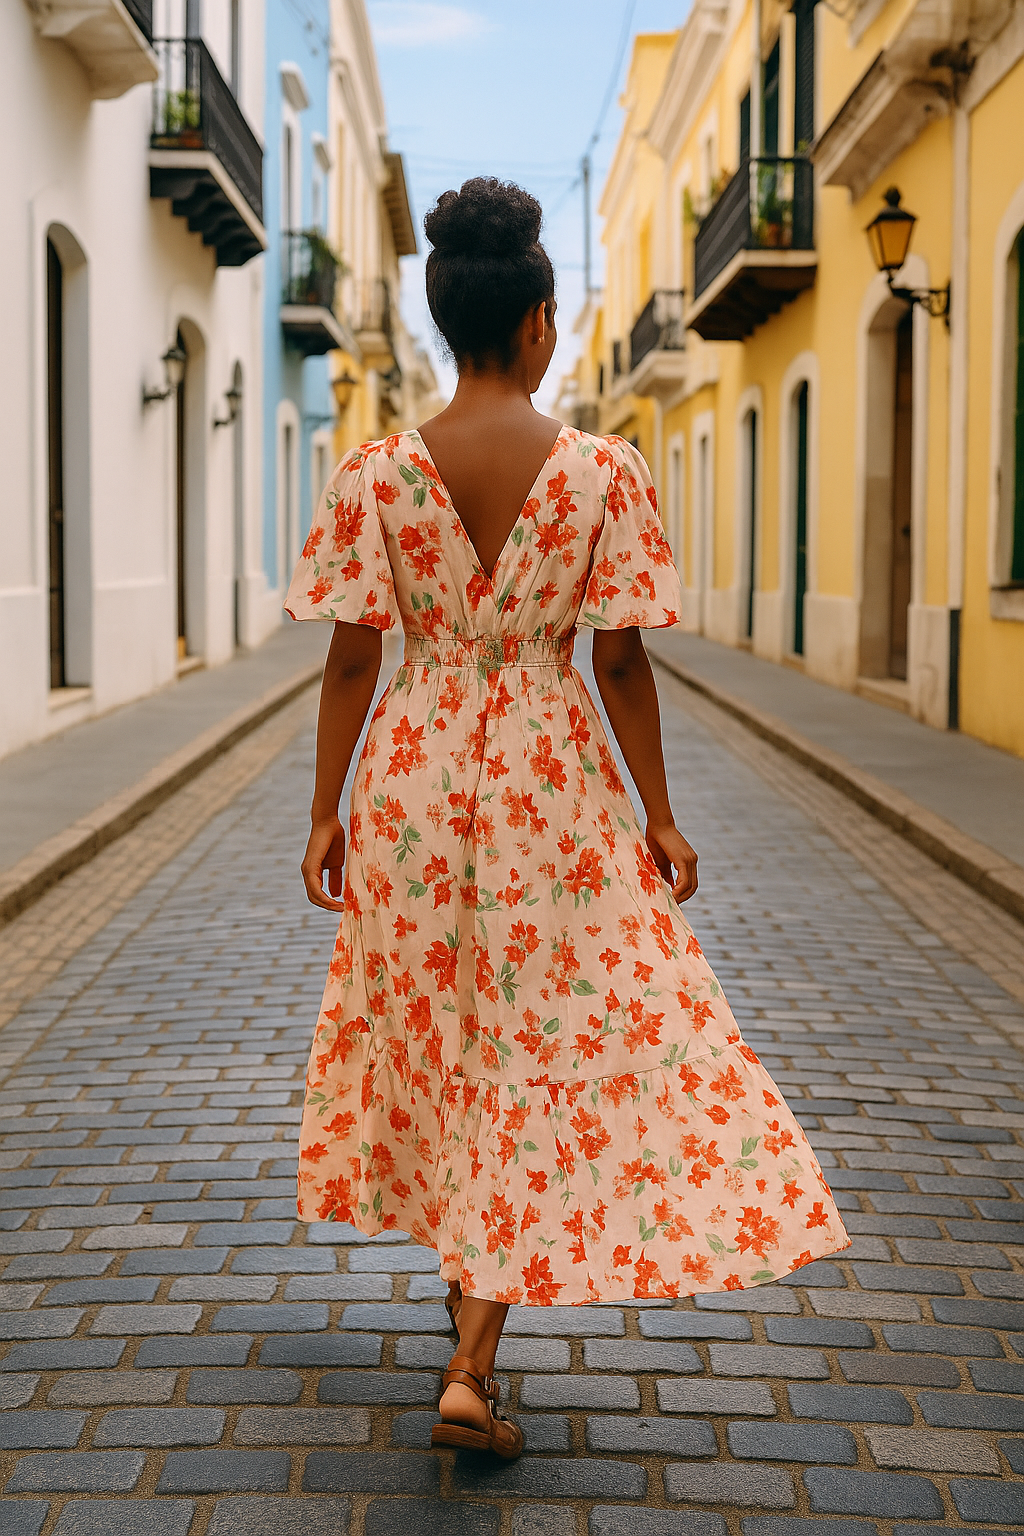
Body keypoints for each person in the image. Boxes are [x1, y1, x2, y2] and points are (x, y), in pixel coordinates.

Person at [285, 178, 849, 1460]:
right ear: (539, 322)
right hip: (551, 784)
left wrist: (324, 812)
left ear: (445, 321)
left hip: (414, 779)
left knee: (444, 1034)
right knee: (533, 1040)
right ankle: (472, 1364)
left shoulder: (375, 474)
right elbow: (623, 660)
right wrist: (660, 815)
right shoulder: (601, 472)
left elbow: (352, 660)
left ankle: (467, 1325)